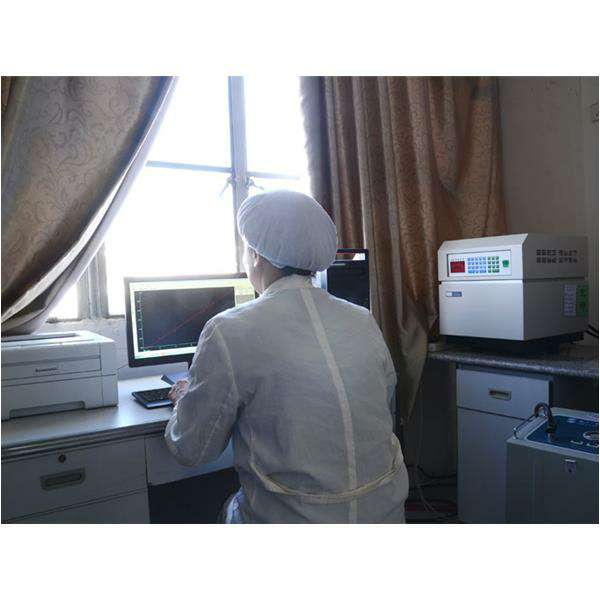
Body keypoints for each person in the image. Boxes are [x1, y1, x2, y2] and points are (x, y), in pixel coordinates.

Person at [165, 190, 409, 523]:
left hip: (292, 520)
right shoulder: (361, 319)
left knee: (223, 506)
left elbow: (192, 449)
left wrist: (184, 399)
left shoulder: (229, 329)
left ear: (255, 255)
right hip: (385, 515)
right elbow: (384, 403)